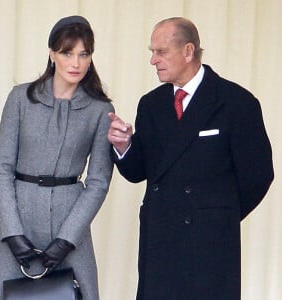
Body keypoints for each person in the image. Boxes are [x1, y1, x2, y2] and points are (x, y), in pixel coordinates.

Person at [108, 17, 274, 300]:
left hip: (210, 246)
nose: (153, 60)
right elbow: (140, 171)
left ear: (188, 51)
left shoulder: (236, 103)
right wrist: (124, 146)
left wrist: (217, 215)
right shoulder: (152, 104)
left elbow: (258, 175)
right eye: (152, 52)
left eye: (161, 52)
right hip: (159, 242)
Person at [0, 15, 114, 300]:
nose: (76, 63)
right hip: (19, 220)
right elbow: (2, 168)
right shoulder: (20, 98)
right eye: (67, 52)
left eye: (84, 54)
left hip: (71, 225)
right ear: (52, 53)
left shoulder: (100, 109)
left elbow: (98, 182)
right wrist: (11, 232)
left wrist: (67, 240)